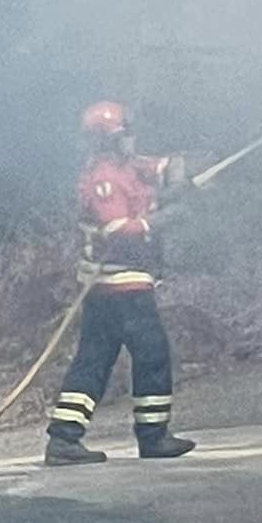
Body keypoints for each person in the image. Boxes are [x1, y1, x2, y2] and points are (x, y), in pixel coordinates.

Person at [44, 100, 196, 466]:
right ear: (110, 140)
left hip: (109, 288)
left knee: (93, 360)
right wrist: (163, 219)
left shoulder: (127, 166)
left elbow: (162, 166)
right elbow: (118, 230)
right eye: (126, 133)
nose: (133, 138)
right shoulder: (104, 179)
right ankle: (153, 436)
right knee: (152, 353)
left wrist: (178, 179)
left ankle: (64, 438)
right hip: (119, 284)